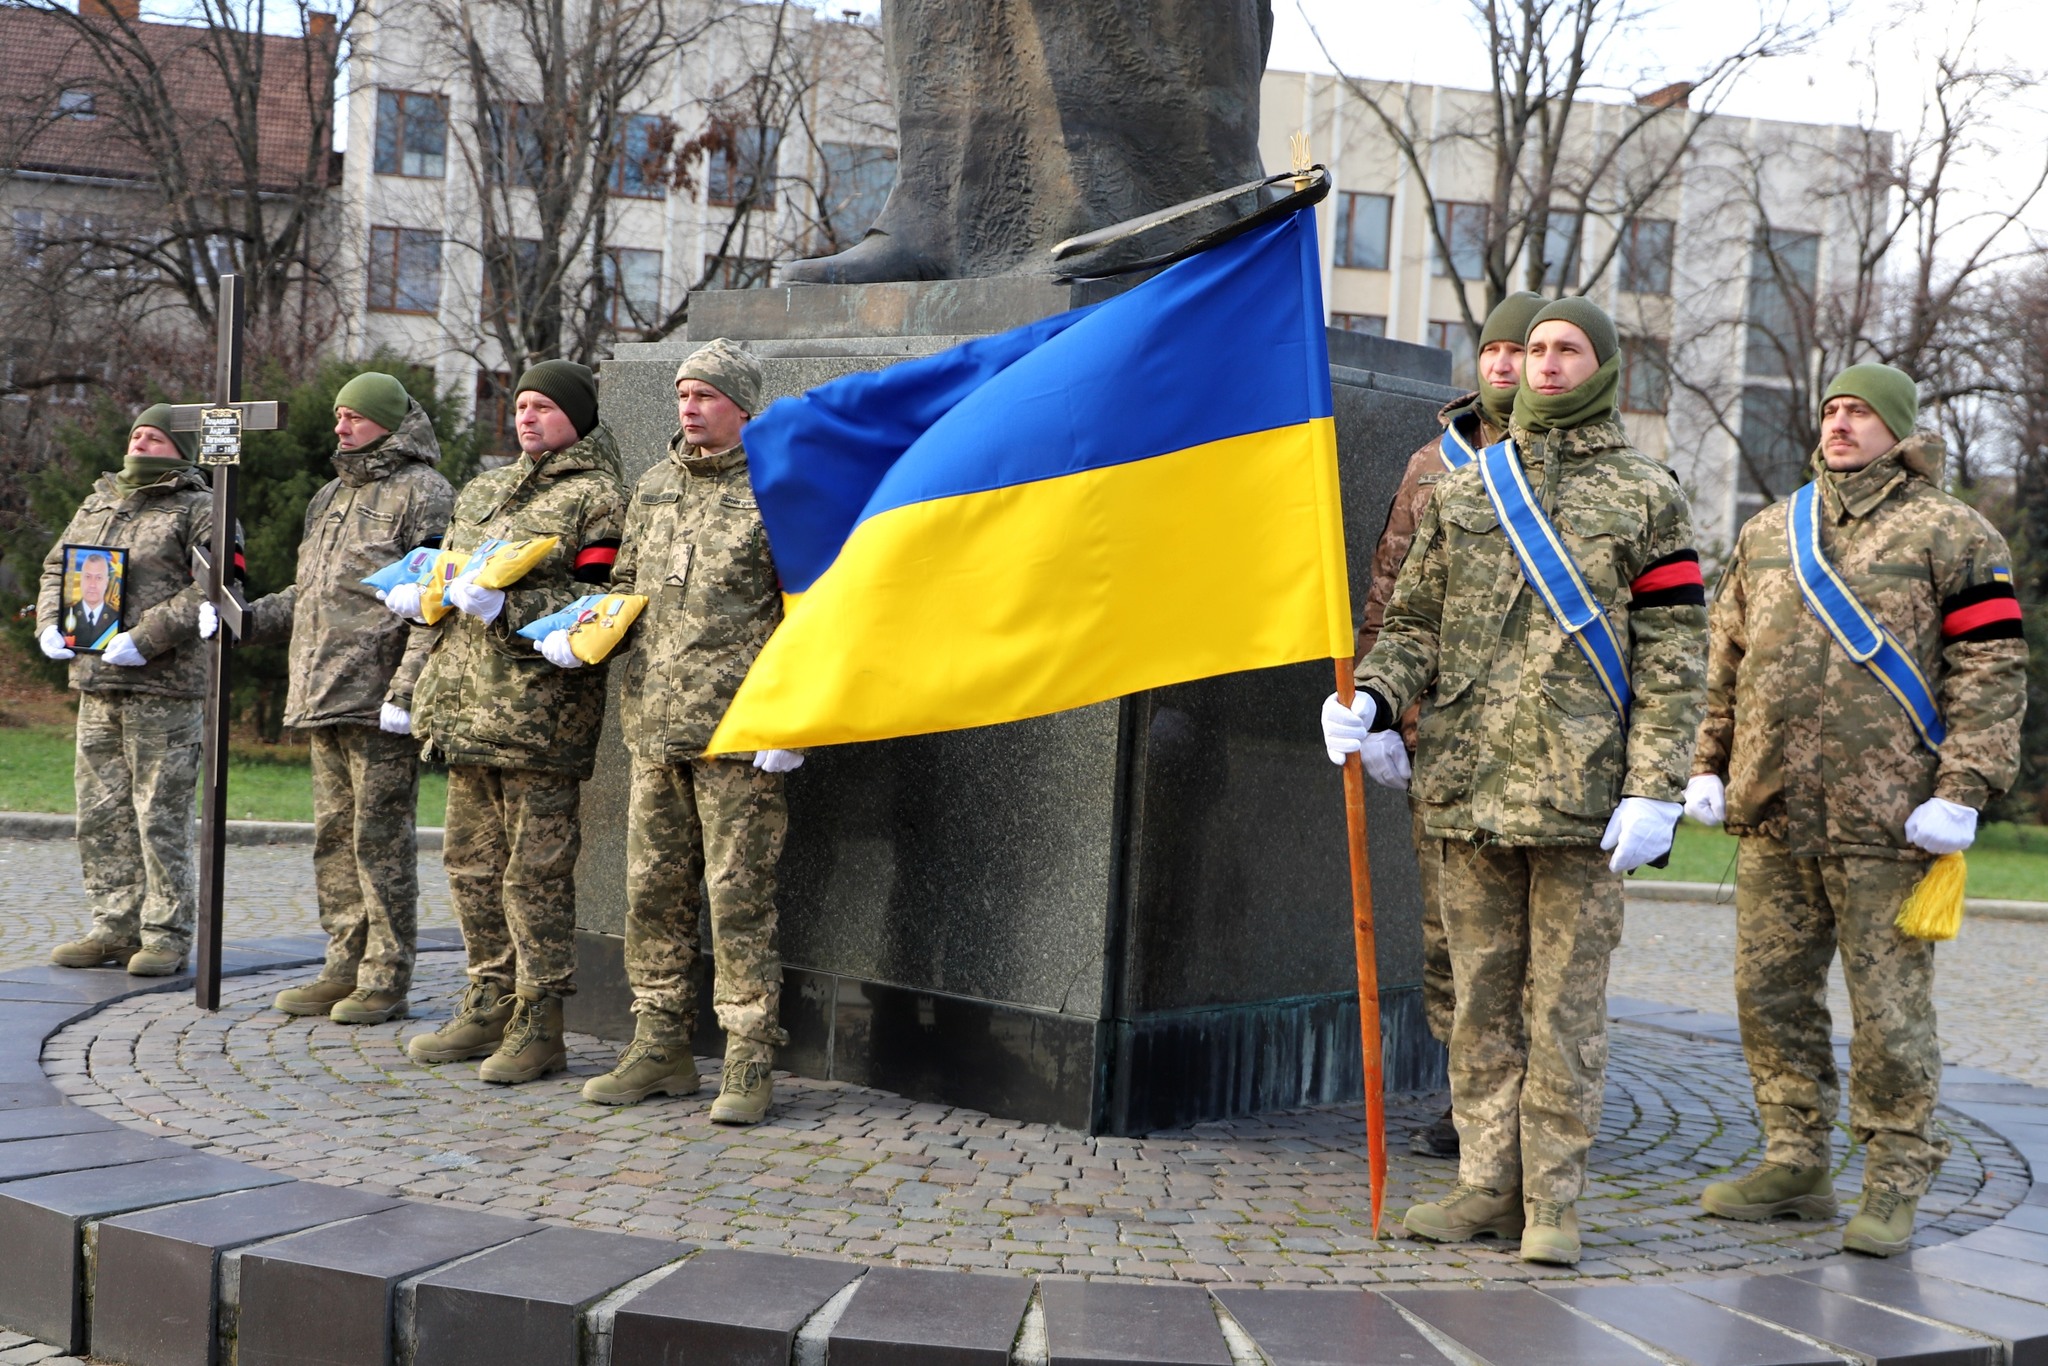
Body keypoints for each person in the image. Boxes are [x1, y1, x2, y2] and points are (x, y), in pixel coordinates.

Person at [1322, 298, 1707, 1264]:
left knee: (1565, 1008)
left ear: (1604, 366)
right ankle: (1487, 1186)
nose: (1544, 363)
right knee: (1481, 1004)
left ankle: (1555, 1206)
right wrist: (1371, 698)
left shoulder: (1647, 495)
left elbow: (1674, 653)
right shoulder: (1463, 491)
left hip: (1584, 804)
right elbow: (1413, 625)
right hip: (1469, 793)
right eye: (1534, 349)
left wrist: (1655, 785)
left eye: (1567, 349)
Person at [1686, 364, 2027, 1257]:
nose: (1840, 424)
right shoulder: (1770, 531)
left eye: (1860, 412)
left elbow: (1991, 673)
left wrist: (1964, 791)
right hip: (1772, 811)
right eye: (1831, 408)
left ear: (1899, 428)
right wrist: (1706, 765)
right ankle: (1796, 1159)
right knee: (1770, 997)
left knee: (1889, 1013)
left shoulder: (1955, 531)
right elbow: (1723, 662)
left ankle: (1894, 1177)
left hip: (1891, 818)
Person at [545, 339, 799, 1124]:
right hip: (653, 726)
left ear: (742, 407)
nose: (688, 408)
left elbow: (808, 608)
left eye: (705, 396)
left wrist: (796, 715)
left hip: (739, 735)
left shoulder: (781, 488)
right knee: (650, 894)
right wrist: (583, 630)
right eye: (682, 394)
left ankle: (750, 1058)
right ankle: (661, 1047)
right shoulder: (653, 487)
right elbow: (624, 585)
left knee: (739, 898)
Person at [1355, 290, 1546, 1160]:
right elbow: (1390, 590)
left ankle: (1532, 1107)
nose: (1504, 366)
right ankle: (1466, 1100)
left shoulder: (1568, 464)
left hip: (1539, 747)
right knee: (1445, 941)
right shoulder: (1432, 462)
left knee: (1530, 947)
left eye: (1522, 351)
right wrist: (1380, 711)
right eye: (1493, 351)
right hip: (1439, 740)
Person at [399, 361, 625, 1083]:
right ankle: (489, 994)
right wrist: (425, 601)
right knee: (469, 867)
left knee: (536, 876)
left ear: (577, 418)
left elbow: (601, 602)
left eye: (543, 407)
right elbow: (452, 577)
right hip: (467, 711)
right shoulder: (487, 489)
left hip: (539, 718)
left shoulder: (600, 499)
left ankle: (541, 1018)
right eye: (520, 405)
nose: (526, 417)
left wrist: (514, 611)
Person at [221, 373, 454, 1025]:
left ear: (385, 421)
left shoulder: (424, 493)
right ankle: (343, 963)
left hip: (378, 697)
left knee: (379, 839)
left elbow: (431, 600)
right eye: (336, 416)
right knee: (333, 838)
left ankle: (385, 976)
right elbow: (312, 594)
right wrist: (246, 618)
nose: (340, 426)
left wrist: (406, 690)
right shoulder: (327, 498)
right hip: (324, 689)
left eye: (353, 416)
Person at [40, 406, 218, 976]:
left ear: (180, 448)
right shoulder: (99, 502)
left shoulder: (201, 507)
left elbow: (217, 583)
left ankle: (165, 935)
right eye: (137, 430)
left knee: (158, 815)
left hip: (162, 686)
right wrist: (50, 621)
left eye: (156, 435)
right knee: (100, 813)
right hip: (97, 682)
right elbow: (55, 569)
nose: (140, 438)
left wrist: (147, 637)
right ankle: (112, 927)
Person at [65, 551, 121, 650]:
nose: (92, 585)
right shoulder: (65, 615)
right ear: (80, 579)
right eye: (88, 577)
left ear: (106, 582)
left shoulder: (116, 620)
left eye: (99, 578)